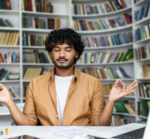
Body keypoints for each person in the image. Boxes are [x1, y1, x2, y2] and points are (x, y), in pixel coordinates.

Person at [0, 28, 137, 126]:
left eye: (68, 49)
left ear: (76, 53)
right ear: (51, 54)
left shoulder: (93, 83)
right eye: (57, 49)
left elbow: (100, 126)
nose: (62, 55)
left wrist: (111, 101)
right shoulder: (35, 83)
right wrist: (9, 102)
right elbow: (28, 124)